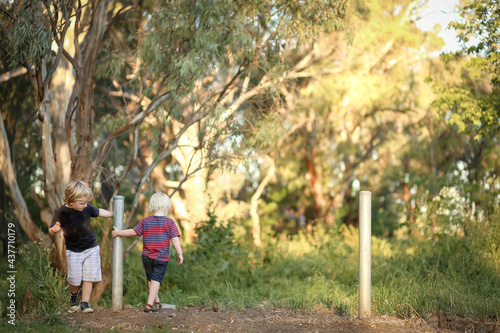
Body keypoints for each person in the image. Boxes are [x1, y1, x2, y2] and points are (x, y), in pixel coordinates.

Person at [112, 192, 184, 312]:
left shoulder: (146, 221)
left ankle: (156, 301)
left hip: (147, 257)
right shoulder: (170, 222)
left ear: (152, 206)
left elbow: (133, 231)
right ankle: (149, 305)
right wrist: (180, 254)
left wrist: (118, 232)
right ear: (167, 207)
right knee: (156, 281)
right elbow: (175, 239)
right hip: (161, 257)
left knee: (151, 280)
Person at [49, 181, 113, 313]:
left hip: (91, 248)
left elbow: (99, 211)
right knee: (74, 278)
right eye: (82, 203)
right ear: (71, 201)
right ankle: (74, 296)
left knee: (89, 276)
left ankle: (85, 303)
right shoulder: (61, 212)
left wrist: (113, 214)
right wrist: (54, 230)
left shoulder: (87, 207)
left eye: (86, 203)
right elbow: (51, 228)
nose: (85, 205)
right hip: (73, 251)